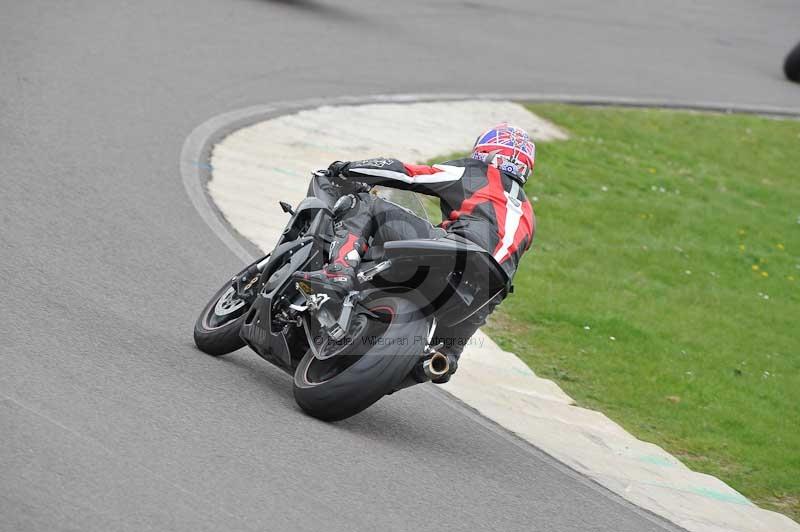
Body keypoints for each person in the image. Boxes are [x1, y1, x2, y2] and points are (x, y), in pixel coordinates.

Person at [294, 123, 536, 382]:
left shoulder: (477, 172)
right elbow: (498, 278)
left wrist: (347, 168)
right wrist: (452, 347)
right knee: (443, 354)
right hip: (486, 287)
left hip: (457, 251)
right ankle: (440, 359)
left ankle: (338, 272)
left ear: (485, 152)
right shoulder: (529, 215)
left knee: (366, 203)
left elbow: (409, 174)